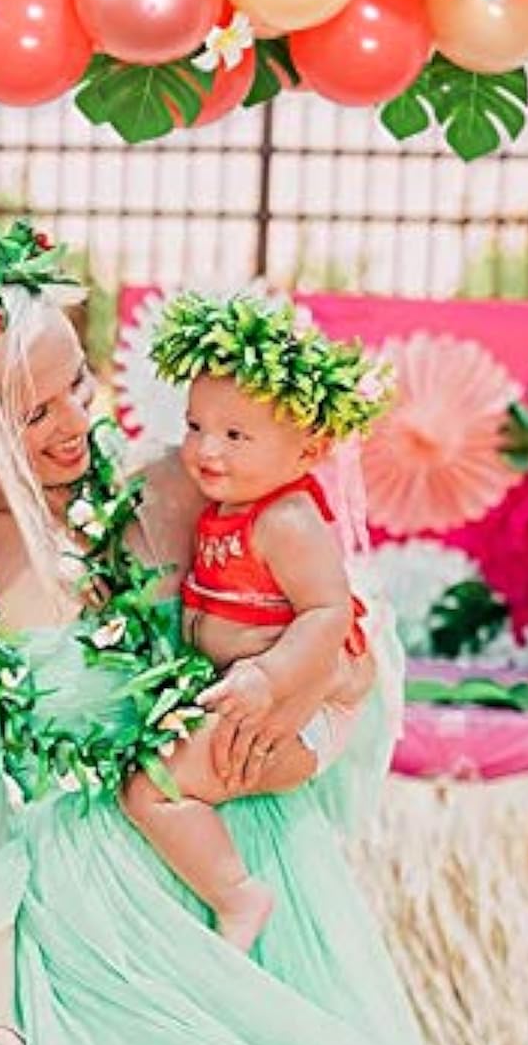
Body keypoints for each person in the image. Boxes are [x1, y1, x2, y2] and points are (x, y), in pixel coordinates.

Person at [0, 198, 452, 1045]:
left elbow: (347, 649)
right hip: (88, 925)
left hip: (238, 861)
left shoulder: (170, 491)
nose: (76, 423)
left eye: (78, 383)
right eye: (34, 410)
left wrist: (303, 716)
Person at [120, 293, 393, 951]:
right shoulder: (229, 502)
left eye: (235, 435)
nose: (206, 449)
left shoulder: (286, 520)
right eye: (194, 426)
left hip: (299, 711)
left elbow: (327, 614)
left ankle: (239, 896)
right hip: (254, 697)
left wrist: (270, 679)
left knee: (153, 789)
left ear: (309, 451)